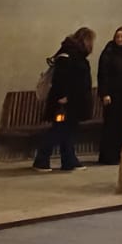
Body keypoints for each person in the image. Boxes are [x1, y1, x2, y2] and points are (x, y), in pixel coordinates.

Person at [34, 27, 95, 172]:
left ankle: (69, 160)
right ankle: (41, 159)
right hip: (65, 102)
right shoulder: (68, 55)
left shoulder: (74, 54)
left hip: (74, 101)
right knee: (59, 130)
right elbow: (61, 79)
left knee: (68, 131)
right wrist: (64, 96)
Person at [95, 26, 122, 166]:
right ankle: (107, 155)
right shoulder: (109, 52)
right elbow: (103, 74)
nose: (120, 39)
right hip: (112, 95)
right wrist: (105, 93)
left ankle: (117, 154)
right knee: (111, 126)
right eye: (118, 36)